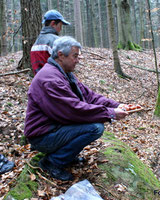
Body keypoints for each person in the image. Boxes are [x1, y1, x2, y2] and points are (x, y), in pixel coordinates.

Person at [24, 36, 129, 181]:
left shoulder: (64, 74)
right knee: (94, 128)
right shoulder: (50, 79)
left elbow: (89, 96)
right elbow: (73, 110)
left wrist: (116, 105)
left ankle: (66, 156)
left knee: (92, 125)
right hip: (42, 136)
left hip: (55, 127)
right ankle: (52, 162)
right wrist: (110, 113)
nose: (78, 59)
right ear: (60, 55)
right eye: (75, 56)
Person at [30, 10, 70, 75]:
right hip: (55, 80)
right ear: (53, 23)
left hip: (39, 81)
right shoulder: (55, 41)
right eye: (60, 25)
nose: (61, 29)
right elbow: (64, 64)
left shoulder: (36, 42)